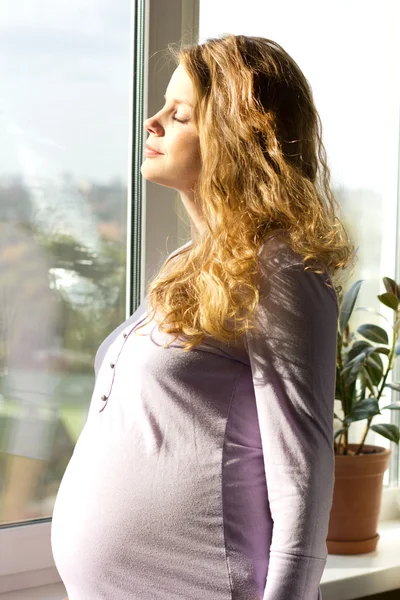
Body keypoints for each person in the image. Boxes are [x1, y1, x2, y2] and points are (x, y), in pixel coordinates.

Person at [51, 34, 355, 600]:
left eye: (180, 113)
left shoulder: (282, 268)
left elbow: (304, 480)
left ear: (237, 136)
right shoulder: (184, 263)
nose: (153, 121)